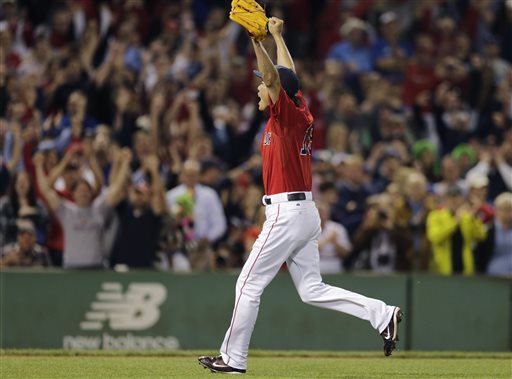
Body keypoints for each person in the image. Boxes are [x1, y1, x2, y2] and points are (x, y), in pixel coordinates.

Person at [198, 17, 403, 375]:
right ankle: (382, 314)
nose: (260, 89)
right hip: (303, 212)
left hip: (287, 213)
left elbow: (278, 78)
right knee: (311, 289)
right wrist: (276, 36)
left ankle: (233, 359)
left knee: (247, 283)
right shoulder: (297, 108)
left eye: (262, 85)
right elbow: (287, 74)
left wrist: (254, 40)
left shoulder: (285, 117)